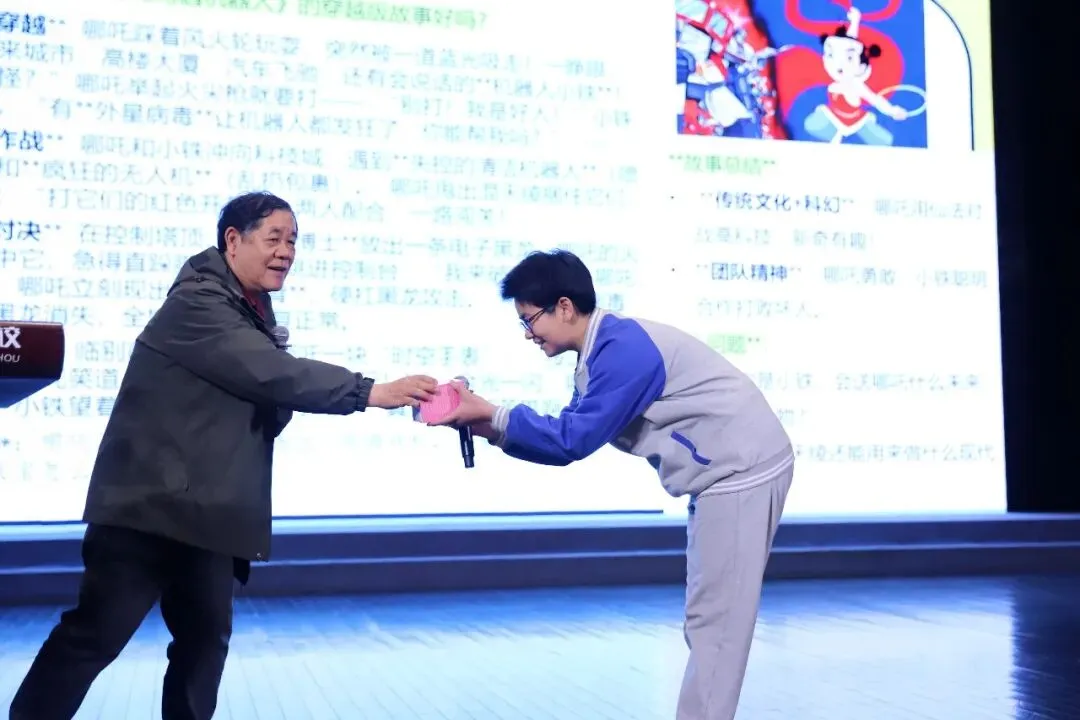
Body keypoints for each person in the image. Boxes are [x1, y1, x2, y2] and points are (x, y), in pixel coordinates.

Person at [8, 192, 437, 720]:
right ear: (233, 241)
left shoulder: (251, 311)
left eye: (293, 241)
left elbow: (269, 396)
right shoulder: (198, 303)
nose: (286, 252)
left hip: (205, 517)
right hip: (147, 512)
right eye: (274, 238)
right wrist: (370, 391)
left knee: (204, 644)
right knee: (94, 636)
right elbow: (273, 374)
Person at [432, 249, 794, 720]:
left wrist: (492, 414)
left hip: (740, 471)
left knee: (718, 627)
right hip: (726, 475)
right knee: (710, 622)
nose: (527, 334)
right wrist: (487, 424)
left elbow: (572, 440)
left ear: (564, 307)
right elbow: (565, 433)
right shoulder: (601, 349)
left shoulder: (624, 352)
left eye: (530, 320)